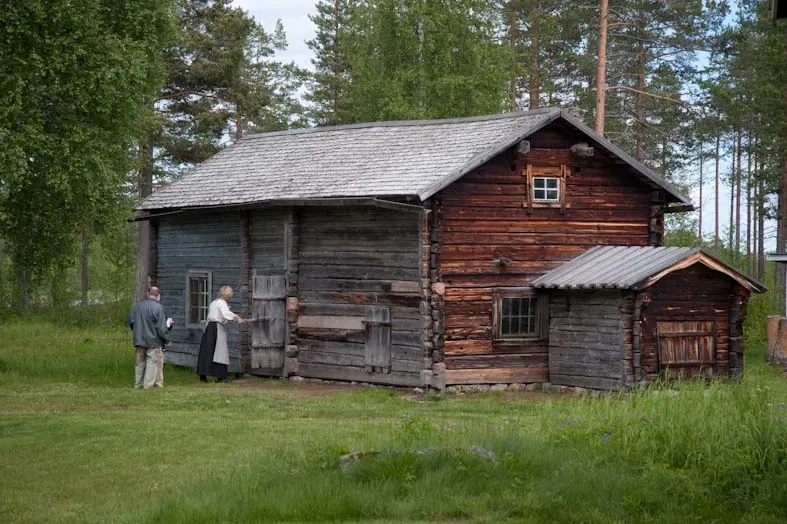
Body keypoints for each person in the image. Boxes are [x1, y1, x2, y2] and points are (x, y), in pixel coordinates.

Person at [196, 286, 245, 383]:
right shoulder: (222, 303)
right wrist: (237, 318)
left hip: (209, 327)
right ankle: (220, 376)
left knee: (207, 352)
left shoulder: (213, 302)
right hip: (216, 328)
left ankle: (203, 375)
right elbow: (226, 314)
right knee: (220, 352)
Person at [129, 287, 172, 390]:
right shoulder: (158, 307)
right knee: (152, 362)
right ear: (158, 295)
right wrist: (166, 339)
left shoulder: (138, 306)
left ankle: (138, 384)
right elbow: (161, 327)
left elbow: (132, 322)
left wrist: (137, 332)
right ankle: (147, 386)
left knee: (140, 362)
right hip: (153, 340)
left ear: (149, 294)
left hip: (139, 339)